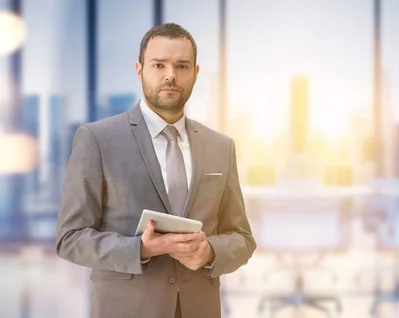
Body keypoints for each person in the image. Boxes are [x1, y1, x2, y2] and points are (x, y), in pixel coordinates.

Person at [56, 23, 256, 318]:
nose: (170, 75)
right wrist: (139, 249)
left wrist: (211, 252)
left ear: (195, 73)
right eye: (159, 65)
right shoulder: (97, 139)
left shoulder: (221, 147)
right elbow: (70, 238)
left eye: (181, 66)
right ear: (139, 70)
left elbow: (242, 238)